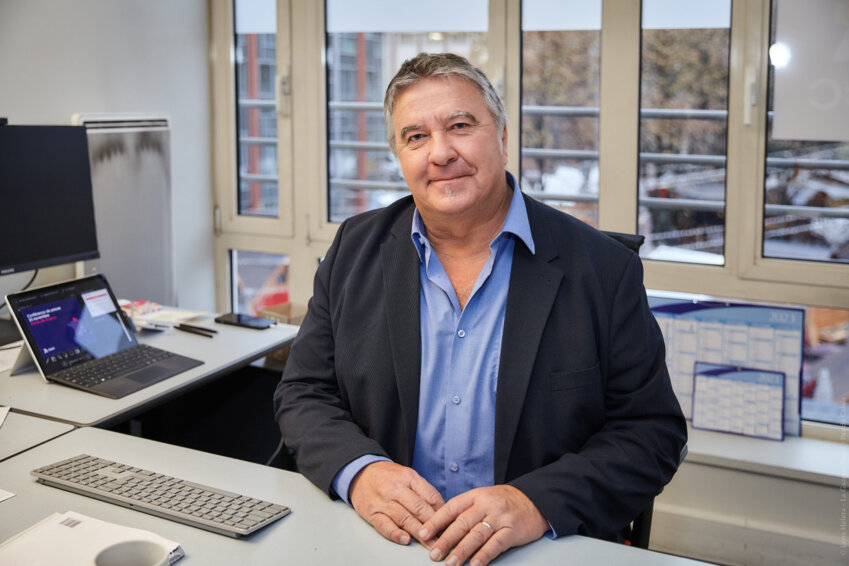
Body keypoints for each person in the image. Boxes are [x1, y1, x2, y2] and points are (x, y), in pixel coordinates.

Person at [274, 52, 686, 566]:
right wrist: (360, 471)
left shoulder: (602, 271)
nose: (441, 153)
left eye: (460, 125)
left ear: (503, 137)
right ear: (400, 156)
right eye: (415, 137)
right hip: (384, 546)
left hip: (534, 549)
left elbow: (652, 432)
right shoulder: (354, 249)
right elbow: (304, 391)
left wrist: (534, 502)